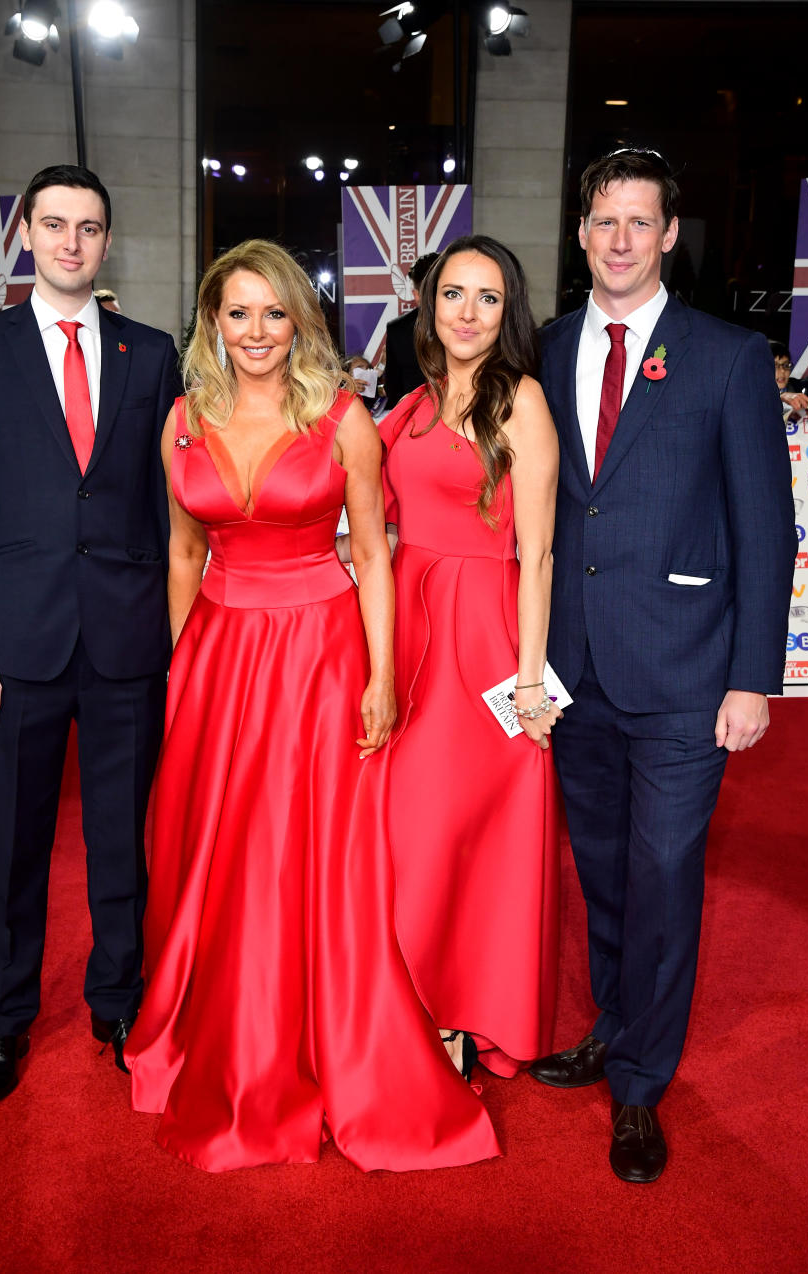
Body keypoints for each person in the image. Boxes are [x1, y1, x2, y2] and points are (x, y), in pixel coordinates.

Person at [123, 239, 499, 1173]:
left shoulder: (343, 419)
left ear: (301, 321)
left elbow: (372, 554)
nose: (256, 332)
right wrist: (180, 670)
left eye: (274, 313)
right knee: (218, 844)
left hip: (321, 655)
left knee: (318, 853)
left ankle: (336, 1041)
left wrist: (378, 675)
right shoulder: (180, 419)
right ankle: (219, 1026)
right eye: (238, 313)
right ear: (214, 319)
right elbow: (183, 557)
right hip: (216, 654)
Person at [534, 148, 796, 1183]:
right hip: (575, 671)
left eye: (640, 222)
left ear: (670, 235)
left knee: (663, 873)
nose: (620, 240)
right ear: (583, 232)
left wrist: (752, 676)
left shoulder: (727, 357)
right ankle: (613, 1020)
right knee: (602, 871)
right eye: (604, 222)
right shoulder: (549, 348)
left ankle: (640, 1084)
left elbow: (765, 530)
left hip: (688, 675)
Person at [0, 163, 180, 1106]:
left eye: (89, 227)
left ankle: (117, 1001)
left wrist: (176, 632)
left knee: (123, 837)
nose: (72, 242)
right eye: (55, 226)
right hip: (20, 642)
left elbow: (167, 511)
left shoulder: (150, 353)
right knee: (16, 844)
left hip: (126, 642)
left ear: (107, 241)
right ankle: (4, 1019)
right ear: (26, 238)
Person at [377, 235, 561, 1083]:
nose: (468, 312)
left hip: (480, 639)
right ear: (429, 301)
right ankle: (408, 1001)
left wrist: (528, 681)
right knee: (404, 833)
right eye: (454, 293)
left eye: (489, 298)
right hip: (406, 632)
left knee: (458, 832)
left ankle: (459, 1014)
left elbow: (539, 555)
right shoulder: (407, 407)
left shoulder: (520, 400)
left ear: (507, 312)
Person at [383, 252, 438, 408]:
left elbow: (393, 388)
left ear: (416, 294)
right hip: (414, 419)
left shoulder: (397, 329)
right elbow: (392, 388)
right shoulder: (397, 329)